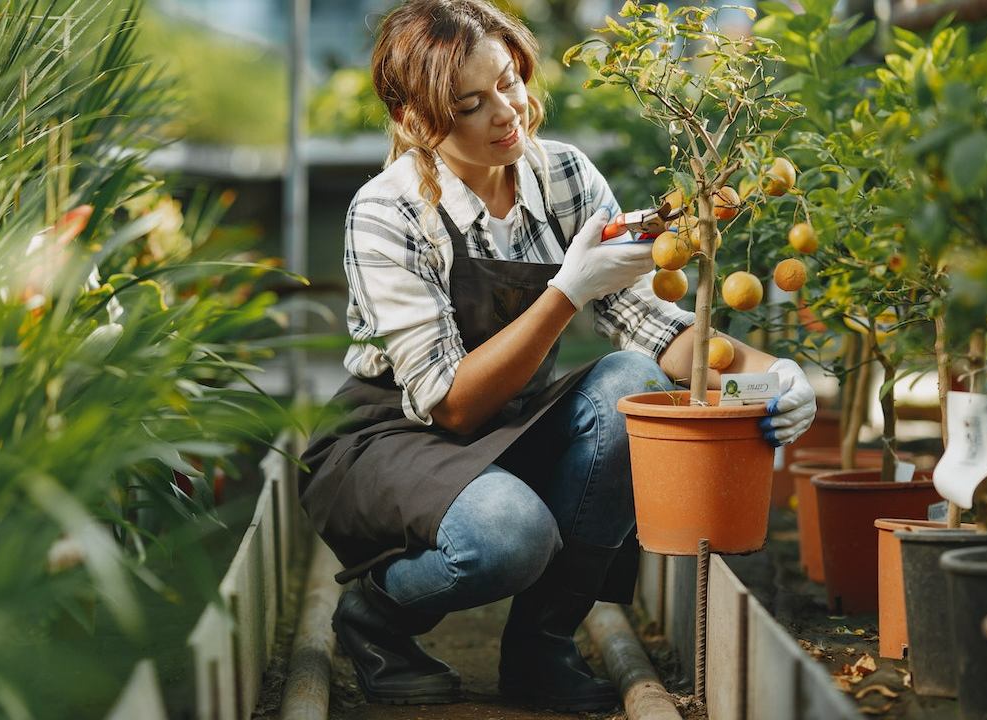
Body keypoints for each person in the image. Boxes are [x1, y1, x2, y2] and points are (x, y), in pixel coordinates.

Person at [299, 0, 816, 712]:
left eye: (509, 81)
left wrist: (776, 377)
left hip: (506, 423)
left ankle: (541, 649)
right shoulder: (388, 214)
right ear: (418, 121)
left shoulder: (563, 178)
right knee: (509, 534)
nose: (507, 111)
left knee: (629, 381)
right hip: (395, 436)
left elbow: (655, 329)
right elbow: (448, 404)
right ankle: (376, 618)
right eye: (471, 104)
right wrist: (567, 291)